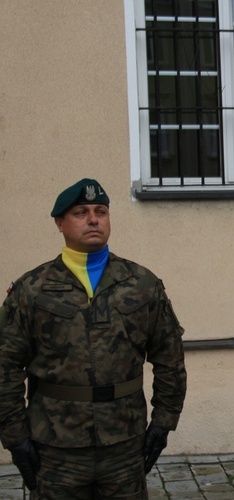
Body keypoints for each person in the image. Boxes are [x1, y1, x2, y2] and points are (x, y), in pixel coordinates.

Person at [0, 178, 187, 498]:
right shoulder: (32, 289)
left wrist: (164, 420)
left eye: (101, 211)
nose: (93, 219)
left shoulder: (142, 283)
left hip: (124, 444)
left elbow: (169, 356)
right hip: (57, 445)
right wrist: (15, 436)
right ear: (59, 223)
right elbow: (5, 366)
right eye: (80, 212)